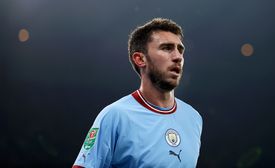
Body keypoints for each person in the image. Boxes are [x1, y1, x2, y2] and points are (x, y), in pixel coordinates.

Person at [72, 18, 202, 168]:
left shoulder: (194, 118)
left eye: (180, 50)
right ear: (140, 59)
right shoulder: (115, 116)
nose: (178, 57)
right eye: (167, 48)